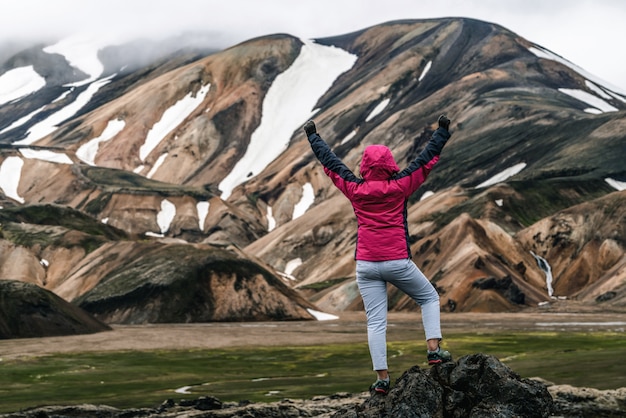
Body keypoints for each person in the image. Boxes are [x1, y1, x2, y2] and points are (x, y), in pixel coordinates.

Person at [303, 115, 453, 395]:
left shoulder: (355, 189)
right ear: (390, 164)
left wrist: (314, 137)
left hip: (367, 264)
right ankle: (434, 349)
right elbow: (425, 160)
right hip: (397, 261)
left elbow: (332, 165)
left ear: (364, 166)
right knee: (429, 298)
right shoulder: (401, 186)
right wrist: (442, 133)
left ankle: (382, 379)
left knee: (375, 321)